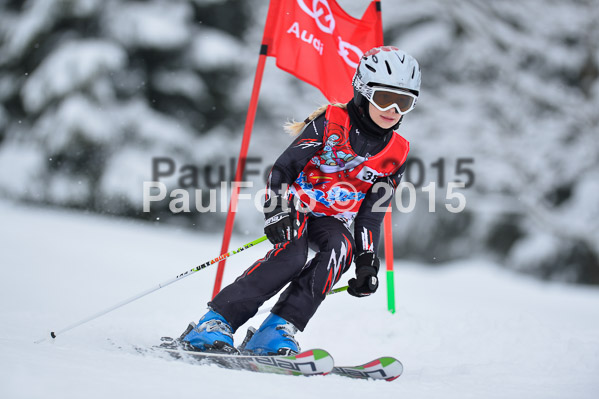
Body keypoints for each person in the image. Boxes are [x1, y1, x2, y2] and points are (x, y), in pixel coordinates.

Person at [178, 46, 421, 355]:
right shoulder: (332, 121)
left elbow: (371, 213)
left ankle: (277, 329)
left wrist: (366, 260)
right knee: (292, 256)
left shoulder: (396, 153)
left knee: (340, 250)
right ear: (363, 89)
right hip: (296, 205)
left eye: (405, 102)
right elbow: (284, 167)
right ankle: (215, 321)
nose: (393, 109)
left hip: (333, 217)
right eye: (385, 98)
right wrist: (277, 208)